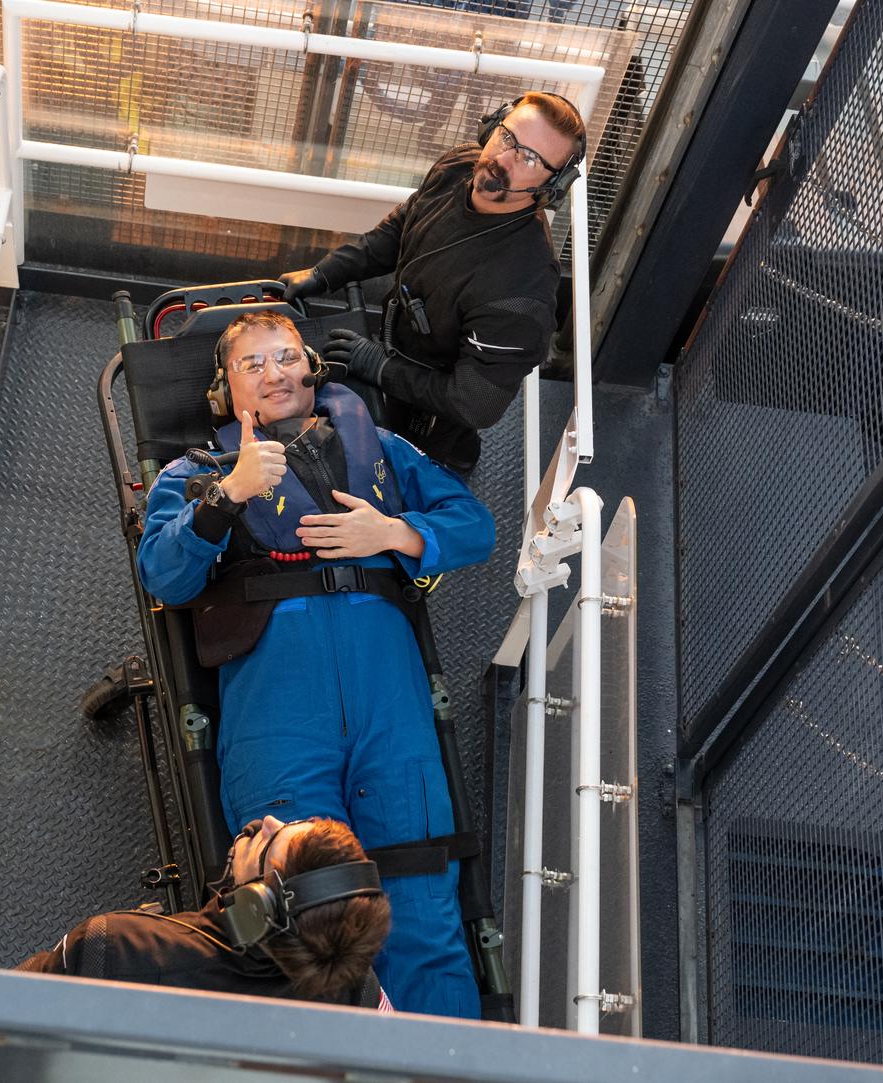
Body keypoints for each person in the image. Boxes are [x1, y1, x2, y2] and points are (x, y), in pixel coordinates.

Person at [136, 310, 495, 1018]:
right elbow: (164, 574)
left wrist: (391, 530)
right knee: (288, 904)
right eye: (253, 364)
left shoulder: (384, 450)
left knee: (422, 896)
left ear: (310, 369)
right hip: (278, 698)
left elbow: (473, 525)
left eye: (286, 357)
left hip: (386, 693)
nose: (274, 373)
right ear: (225, 388)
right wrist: (229, 495)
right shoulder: (196, 471)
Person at [279, 92, 586, 473]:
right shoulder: (459, 166)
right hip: (394, 349)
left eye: (529, 158)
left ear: (550, 186)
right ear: (491, 126)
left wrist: (378, 367)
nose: (503, 159)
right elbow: (402, 226)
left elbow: (474, 402)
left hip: (435, 414)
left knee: (413, 469)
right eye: (508, 137)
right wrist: (327, 273)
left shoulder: (521, 291)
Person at [16, 815, 394, 1010]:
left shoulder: (111, 945)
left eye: (270, 845)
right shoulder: (362, 996)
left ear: (254, 907)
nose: (268, 823)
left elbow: (6, 1008)